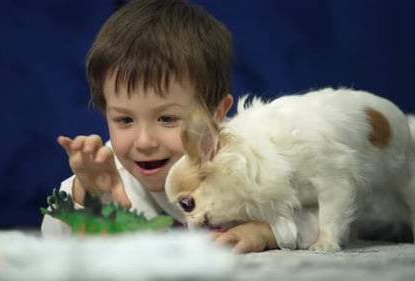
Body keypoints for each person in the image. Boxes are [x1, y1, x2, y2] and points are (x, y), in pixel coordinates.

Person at [41, 0, 278, 253]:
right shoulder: (107, 177)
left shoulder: (246, 163)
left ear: (217, 113)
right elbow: (52, 237)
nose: (144, 142)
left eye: (167, 119)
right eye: (125, 120)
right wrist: (89, 198)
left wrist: (265, 232)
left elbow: (314, 212)